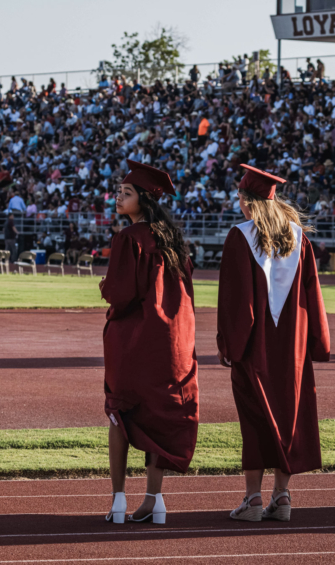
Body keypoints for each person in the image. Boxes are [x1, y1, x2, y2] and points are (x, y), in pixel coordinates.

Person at [216, 165, 330, 522]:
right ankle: (282, 496)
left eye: (239, 197)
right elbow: (313, 295)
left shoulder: (240, 236)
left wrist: (230, 345)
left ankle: (252, 498)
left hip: (256, 346)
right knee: (289, 416)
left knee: (255, 419)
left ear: (249, 202)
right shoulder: (299, 238)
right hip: (293, 346)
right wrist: (318, 342)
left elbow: (238, 302)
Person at [101, 161, 198, 525]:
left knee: (120, 414)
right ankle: (155, 502)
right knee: (159, 417)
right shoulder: (174, 242)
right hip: (173, 341)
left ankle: (118, 502)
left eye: (125, 193)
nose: (117, 197)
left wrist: (106, 291)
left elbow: (120, 294)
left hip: (135, 341)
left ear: (143, 200)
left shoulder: (128, 239)